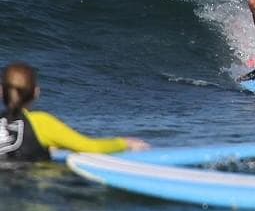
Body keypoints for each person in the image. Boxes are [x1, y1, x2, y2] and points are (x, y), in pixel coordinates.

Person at [1, 62, 148, 160]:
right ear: (35, 92)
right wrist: (125, 143)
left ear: (1, 92)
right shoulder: (41, 122)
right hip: (27, 195)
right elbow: (91, 148)